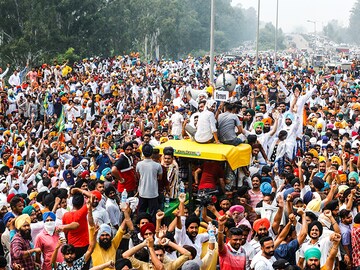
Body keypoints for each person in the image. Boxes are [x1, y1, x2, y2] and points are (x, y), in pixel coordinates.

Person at [136, 144, 162, 222]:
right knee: (153, 214)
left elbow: (138, 176)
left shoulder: (139, 164)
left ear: (143, 153)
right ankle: (152, 228)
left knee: (141, 213)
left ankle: (141, 228)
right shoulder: (157, 166)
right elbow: (160, 178)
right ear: (151, 153)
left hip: (142, 192)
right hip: (153, 193)